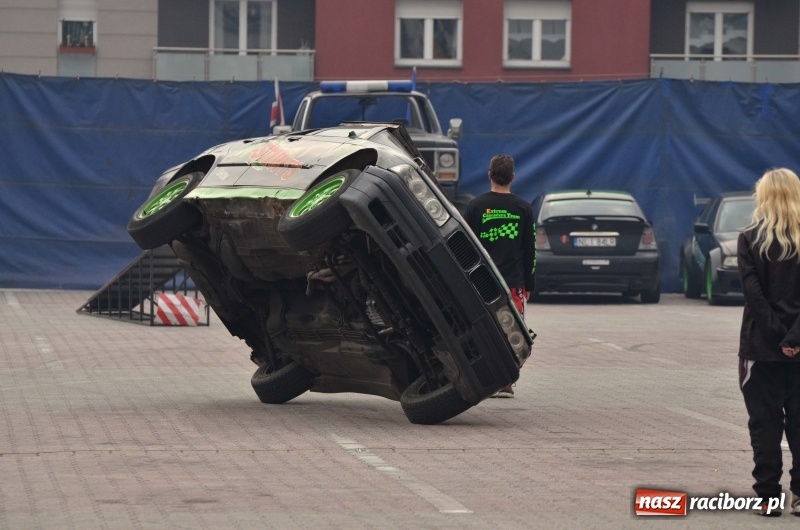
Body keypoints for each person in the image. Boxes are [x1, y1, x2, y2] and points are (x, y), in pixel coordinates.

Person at [738, 167, 800, 517]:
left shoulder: (749, 238)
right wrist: (794, 338)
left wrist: (779, 338)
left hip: (760, 349)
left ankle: (768, 496)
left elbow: (754, 296)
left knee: (765, 424)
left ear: (762, 197)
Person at [464, 154, 536, 398]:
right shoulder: (523, 208)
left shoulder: (475, 206)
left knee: (483, 330)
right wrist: (529, 284)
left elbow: (466, 247)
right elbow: (530, 250)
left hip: (480, 283)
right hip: (513, 283)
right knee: (513, 332)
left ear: (489, 175)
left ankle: (486, 379)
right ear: (513, 177)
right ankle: (506, 382)